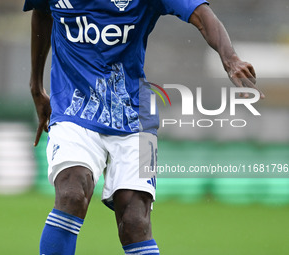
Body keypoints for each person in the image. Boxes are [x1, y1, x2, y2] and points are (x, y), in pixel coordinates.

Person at [23, 0, 264, 254]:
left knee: (135, 222)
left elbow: (202, 14)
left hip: (139, 114)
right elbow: (41, 12)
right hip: (74, 106)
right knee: (73, 191)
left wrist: (230, 58)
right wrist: (36, 86)